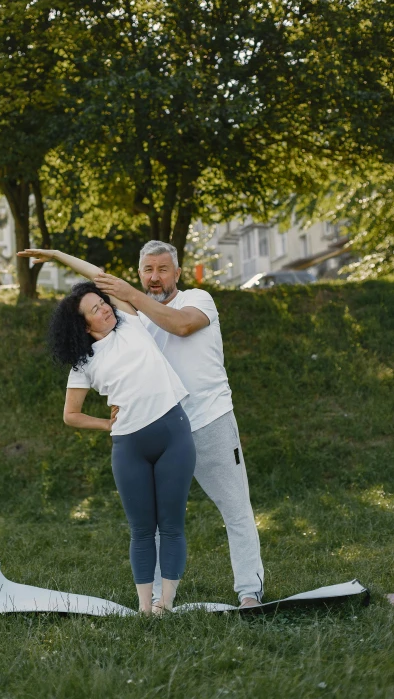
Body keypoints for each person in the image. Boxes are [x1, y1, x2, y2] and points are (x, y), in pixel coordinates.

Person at [17, 248, 196, 615]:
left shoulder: (131, 319)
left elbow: (100, 274)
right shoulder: (84, 364)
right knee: (142, 530)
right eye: (95, 309)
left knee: (172, 524)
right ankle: (145, 607)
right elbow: (71, 414)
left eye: (103, 303)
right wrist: (106, 424)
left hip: (173, 432)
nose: (104, 308)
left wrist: (57, 255)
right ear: (84, 326)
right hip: (129, 445)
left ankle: (166, 603)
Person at [93, 240, 264, 609]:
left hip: (210, 420)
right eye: (148, 271)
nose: (155, 278)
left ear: (177, 273)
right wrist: (58, 257)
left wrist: (131, 295)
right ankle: (156, 599)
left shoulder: (197, 300)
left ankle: (250, 591)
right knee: (154, 522)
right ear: (139, 273)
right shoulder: (133, 321)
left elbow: (182, 327)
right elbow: (99, 287)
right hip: (164, 428)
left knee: (236, 508)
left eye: (163, 269)